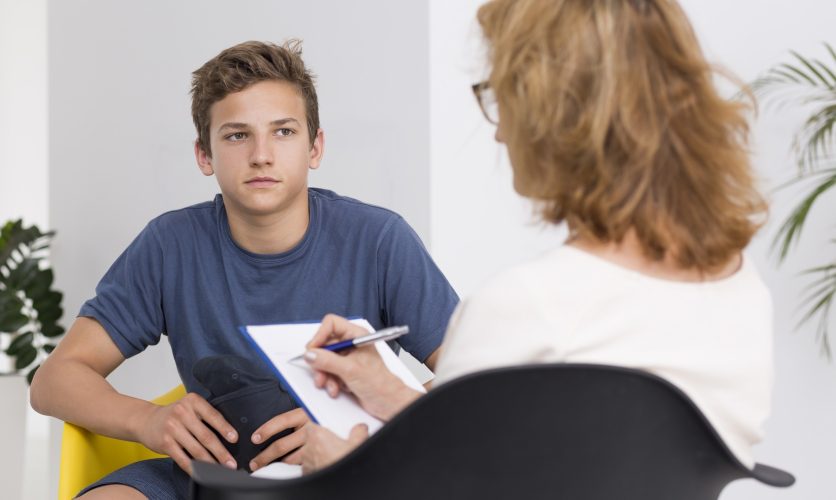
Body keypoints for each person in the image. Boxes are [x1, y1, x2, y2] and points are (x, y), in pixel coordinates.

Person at [297, 0, 773, 475]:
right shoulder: (741, 292)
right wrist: (395, 395)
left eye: (502, 95)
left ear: (555, 115)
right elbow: (577, 463)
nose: (501, 131)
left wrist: (342, 469)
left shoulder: (526, 306)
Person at [29, 40, 459, 500]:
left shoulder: (379, 239)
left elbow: (469, 379)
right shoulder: (170, 244)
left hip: (347, 470)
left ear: (315, 147)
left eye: (283, 132)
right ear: (204, 155)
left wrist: (364, 426)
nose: (261, 155)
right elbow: (54, 380)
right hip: (210, 476)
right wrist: (148, 419)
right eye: (237, 135)